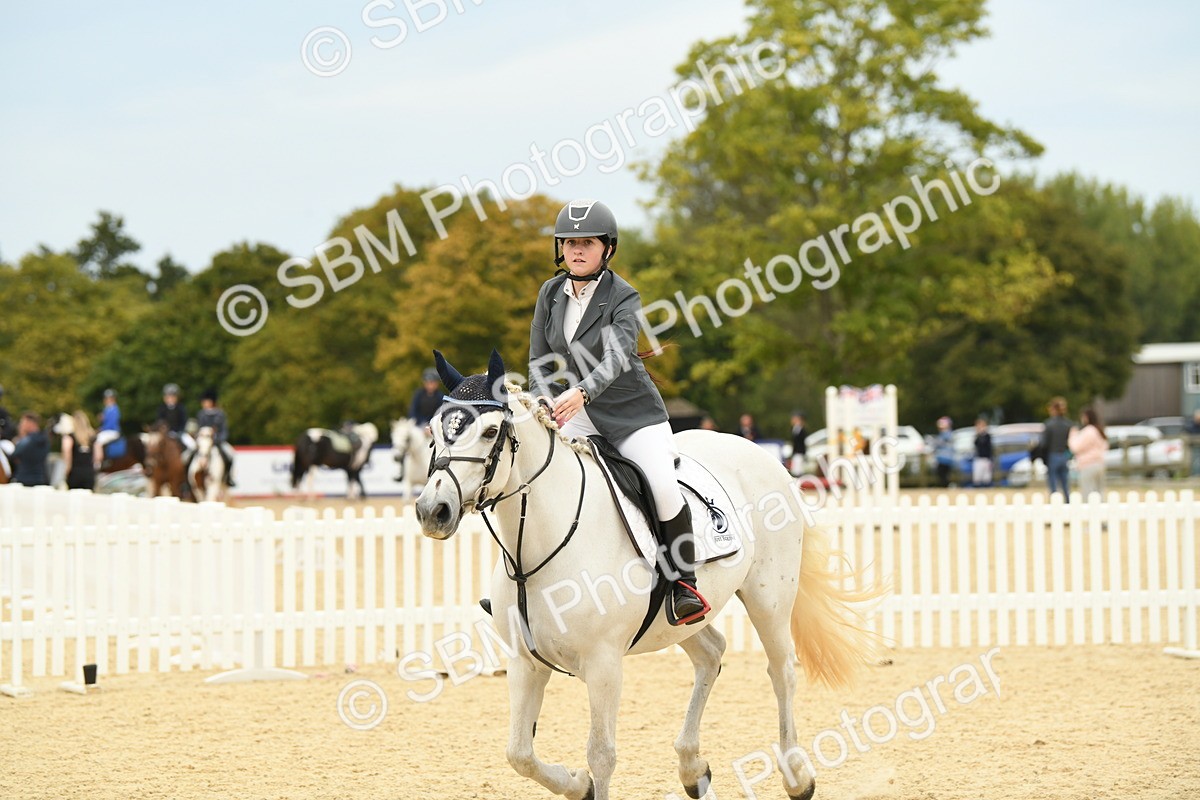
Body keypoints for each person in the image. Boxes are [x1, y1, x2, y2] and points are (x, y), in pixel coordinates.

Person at [528, 199, 709, 626]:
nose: (576, 250)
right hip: (573, 409)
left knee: (663, 485)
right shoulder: (550, 294)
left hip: (631, 416)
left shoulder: (623, 296)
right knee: (533, 475)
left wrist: (581, 393)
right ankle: (527, 587)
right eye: (569, 242)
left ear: (607, 248)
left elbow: (616, 356)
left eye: (586, 243)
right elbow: (538, 358)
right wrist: (539, 398)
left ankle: (683, 583)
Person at [185, 388, 236, 487]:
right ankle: (187, 481)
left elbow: (224, 430)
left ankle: (228, 478)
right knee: (187, 456)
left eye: (207, 401)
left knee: (231, 454)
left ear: (212, 402)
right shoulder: (201, 414)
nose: (204, 403)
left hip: (217, 441)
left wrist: (218, 439)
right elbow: (198, 429)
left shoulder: (220, 414)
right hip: (203, 442)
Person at [1068, 406, 1108, 501]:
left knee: (1088, 493)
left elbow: (1075, 447)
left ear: (1086, 417)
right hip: (1099, 464)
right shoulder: (1099, 430)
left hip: (1088, 465)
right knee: (1100, 492)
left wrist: (1072, 435)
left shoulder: (1089, 431)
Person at [1041, 397, 1072, 502]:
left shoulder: (1049, 424)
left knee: (1053, 483)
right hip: (1064, 455)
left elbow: (1044, 443)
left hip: (1053, 455)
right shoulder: (1068, 424)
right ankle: (1067, 502)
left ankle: (1054, 503)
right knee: (1065, 483)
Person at [58, 411, 96, 490]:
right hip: (89, 473)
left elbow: (67, 455)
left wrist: (65, 472)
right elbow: (98, 456)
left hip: (74, 473)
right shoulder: (92, 438)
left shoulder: (69, 437)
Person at [11, 412, 50, 486]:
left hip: (24, 480)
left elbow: (14, 455)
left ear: (30, 423)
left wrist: (21, 436)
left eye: (23, 423)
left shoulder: (27, 441)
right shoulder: (44, 439)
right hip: (41, 479)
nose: (21, 426)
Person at [157, 383, 195, 451]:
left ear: (177, 397)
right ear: (164, 398)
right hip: (165, 433)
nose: (170, 399)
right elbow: (160, 421)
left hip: (179, 433)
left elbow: (184, 421)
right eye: (168, 396)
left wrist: (179, 432)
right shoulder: (161, 409)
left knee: (192, 445)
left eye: (173, 396)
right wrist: (165, 431)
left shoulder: (181, 408)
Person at [93, 388, 122, 468]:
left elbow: (111, 424)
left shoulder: (114, 409)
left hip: (112, 432)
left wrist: (101, 429)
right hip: (108, 431)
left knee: (97, 442)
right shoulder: (107, 409)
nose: (106, 400)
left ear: (112, 399)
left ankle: (98, 464)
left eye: (108, 398)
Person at [972, 417, 993, 487]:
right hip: (978, 458)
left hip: (986, 459)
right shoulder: (977, 436)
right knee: (977, 477)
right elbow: (976, 444)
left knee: (986, 478)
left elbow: (986, 445)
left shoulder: (987, 436)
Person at [934, 416, 954, 486]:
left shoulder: (947, 434)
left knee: (943, 474)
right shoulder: (942, 434)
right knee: (941, 474)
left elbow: (941, 443)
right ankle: (946, 485)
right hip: (942, 458)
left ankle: (948, 485)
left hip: (946, 458)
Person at [1186, 408, 1200, 477]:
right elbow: (1188, 434)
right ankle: (1193, 474)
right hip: (1193, 447)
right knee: (1193, 461)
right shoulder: (1190, 425)